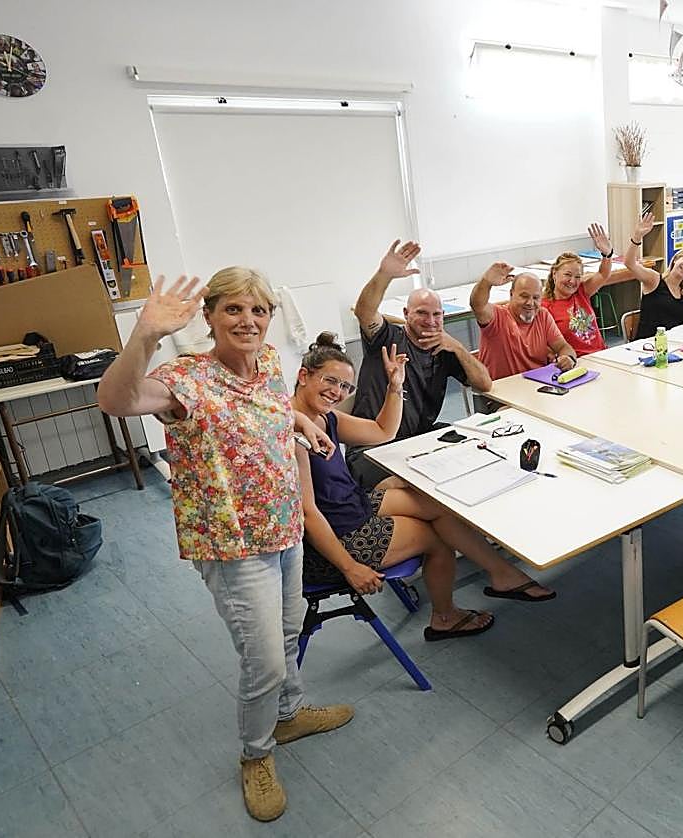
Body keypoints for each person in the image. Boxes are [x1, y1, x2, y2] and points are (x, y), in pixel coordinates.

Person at [97, 270, 353, 823]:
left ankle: (289, 715)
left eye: (258, 310)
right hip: (232, 544)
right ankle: (256, 754)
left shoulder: (267, 364)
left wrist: (300, 420)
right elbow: (116, 400)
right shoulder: (186, 378)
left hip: (284, 525)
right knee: (263, 660)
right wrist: (145, 333)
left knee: (288, 631)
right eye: (234, 309)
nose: (248, 321)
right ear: (209, 316)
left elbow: (270, 406)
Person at [291, 332, 555, 641]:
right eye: (330, 381)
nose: (337, 392)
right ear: (304, 376)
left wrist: (395, 386)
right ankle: (445, 617)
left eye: (345, 386)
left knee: (437, 505)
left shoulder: (325, 417)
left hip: (351, 506)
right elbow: (308, 515)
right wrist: (349, 567)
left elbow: (382, 431)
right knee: (437, 541)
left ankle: (501, 573)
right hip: (340, 537)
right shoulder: (293, 434)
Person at [347, 239, 492, 489]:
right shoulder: (387, 338)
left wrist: (458, 347)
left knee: (477, 459)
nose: (430, 321)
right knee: (423, 487)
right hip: (372, 447)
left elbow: (484, 384)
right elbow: (364, 311)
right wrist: (385, 274)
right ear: (406, 314)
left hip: (419, 439)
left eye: (436, 314)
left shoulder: (445, 349)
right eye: (422, 313)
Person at [471, 262, 577, 379]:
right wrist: (486, 282)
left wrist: (568, 358)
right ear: (511, 294)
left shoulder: (542, 315)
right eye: (524, 296)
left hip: (537, 384)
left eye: (536, 298)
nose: (530, 303)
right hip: (502, 388)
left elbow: (563, 347)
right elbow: (477, 305)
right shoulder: (497, 317)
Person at [624, 211, 683, 339]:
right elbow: (629, 263)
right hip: (649, 344)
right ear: (675, 260)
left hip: (675, 342)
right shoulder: (654, 280)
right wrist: (637, 237)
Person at [541, 223, 627, 355]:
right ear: (554, 274)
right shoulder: (545, 307)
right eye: (567, 275)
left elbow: (603, 274)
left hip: (600, 354)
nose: (572, 281)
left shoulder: (581, 292)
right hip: (577, 360)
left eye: (577, 277)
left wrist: (607, 254)